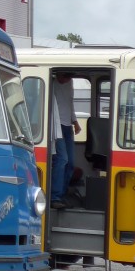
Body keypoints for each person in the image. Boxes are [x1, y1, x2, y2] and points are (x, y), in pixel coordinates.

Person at [50, 73, 82, 209]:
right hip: (56, 125)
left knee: (70, 163)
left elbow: (70, 102)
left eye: (69, 77)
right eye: (65, 77)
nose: (67, 79)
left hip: (67, 126)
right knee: (62, 159)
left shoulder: (70, 83)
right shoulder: (51, 82)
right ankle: (54, 196)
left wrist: (74, 121)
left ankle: (61, 195)